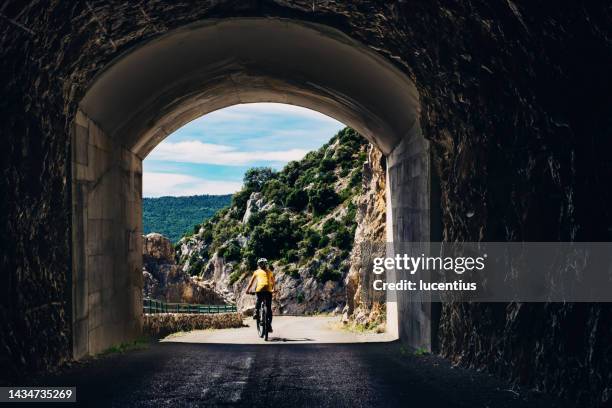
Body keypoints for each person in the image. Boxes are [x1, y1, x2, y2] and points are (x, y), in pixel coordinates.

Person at [246, 258, 275, 332]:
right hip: (268, 290)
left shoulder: (256, 272)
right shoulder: (270, 272)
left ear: (258, 265)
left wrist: (247, 290)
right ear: (266, 264)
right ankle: (269, 326)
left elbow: (251, 283)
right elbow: (273, 282)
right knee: (268, 309)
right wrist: (274, 289)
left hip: (260, 289)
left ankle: (256, 312)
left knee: (259, 300)